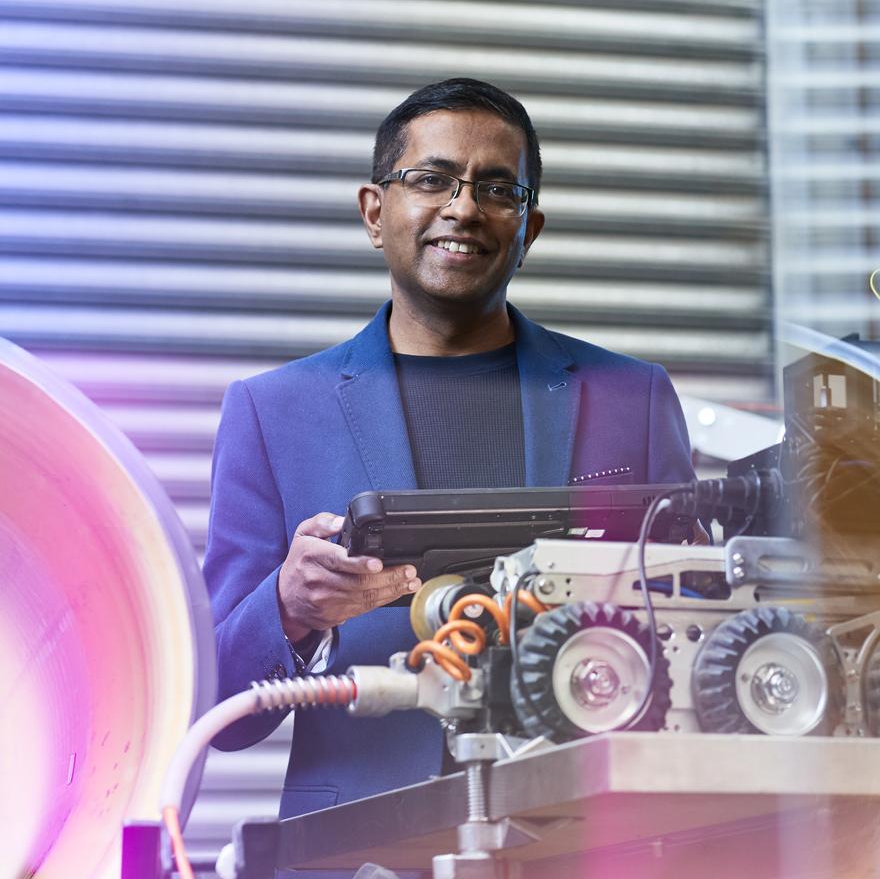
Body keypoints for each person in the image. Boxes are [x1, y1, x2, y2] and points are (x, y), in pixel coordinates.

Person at [203, 78, 698, 821]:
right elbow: (219, 714)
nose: (463, 207)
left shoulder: (634, 399)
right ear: (376, 212)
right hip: (357, 846)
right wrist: (289, 607)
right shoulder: (273, 413)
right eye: (430, 179)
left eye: (498, 188)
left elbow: (695, 633)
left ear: (528, 229)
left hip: (592, 840)